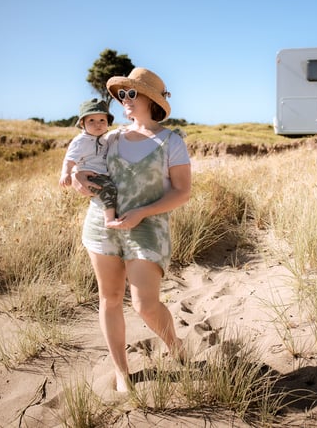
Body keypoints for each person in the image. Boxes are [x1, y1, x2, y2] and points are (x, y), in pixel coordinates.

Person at [72, 67, 191, 393]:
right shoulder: (108, 137)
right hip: (102, 225)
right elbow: (80, 164)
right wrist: (79, 178)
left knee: (144, 304)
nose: (123, 100)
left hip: (147, 227)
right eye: (121, 94)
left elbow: (182, 191)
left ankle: (175, 344)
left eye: (131, 93)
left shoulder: (171, 141)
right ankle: (122, 372)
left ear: (151, 100)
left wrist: (142, 212)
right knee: (109, 299)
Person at [59, 98, 119, 227]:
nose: (98, 124)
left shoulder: (104, 139)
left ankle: (111, 215)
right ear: (82, 123)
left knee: (112, 190)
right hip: (91, 176)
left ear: (108, 123)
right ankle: (109, 220)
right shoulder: (80, 141)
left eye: (102, 120)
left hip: (103, 175)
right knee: (109, 190)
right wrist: (66, 174)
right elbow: (69, 160)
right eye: (91, 120)